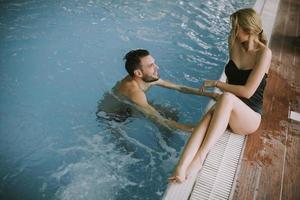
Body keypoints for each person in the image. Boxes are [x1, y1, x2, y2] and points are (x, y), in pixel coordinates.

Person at [169, 8, 272, 183]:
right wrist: (222, 98)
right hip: (229, 108)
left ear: (248, 29)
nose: (232, 31)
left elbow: (247, 92)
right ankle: (180, 167)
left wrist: (216, 84)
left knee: (225, 98)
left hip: (249, 117)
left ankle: (200, 158)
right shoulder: (233, 43)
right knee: (207, 119)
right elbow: (232, 83)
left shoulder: (264, 54)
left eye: (235, 27)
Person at [105, 48, 218, 132]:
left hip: (131, 104)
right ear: (138, 73)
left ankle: (165, 138)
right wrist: (192, 128)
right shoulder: (135, 92)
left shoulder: (149, 77)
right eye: (151, 65)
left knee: (172, 114)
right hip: (114, 115)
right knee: (127, 147)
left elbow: (179, 87)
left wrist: (211, 94)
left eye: (154, 63)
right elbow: (158, 118)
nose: (157, 67)